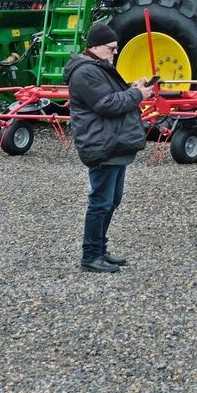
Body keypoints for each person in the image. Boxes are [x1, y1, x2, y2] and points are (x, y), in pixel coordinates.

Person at [65, 23, 156, 274]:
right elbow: (106, 104)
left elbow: (110, 97)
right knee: (101, 202)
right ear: (95, 47)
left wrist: (133, 89)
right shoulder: (85, 73)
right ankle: (91, 255)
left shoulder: (98, 68)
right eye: (111, 48)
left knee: (111, 201)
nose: (115, 53)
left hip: (112, 143)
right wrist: (137, 95)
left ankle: (100, 250)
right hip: (101, 144)